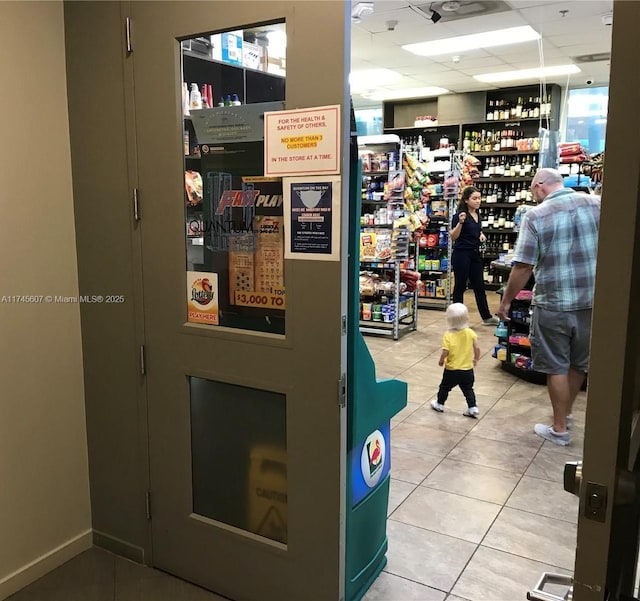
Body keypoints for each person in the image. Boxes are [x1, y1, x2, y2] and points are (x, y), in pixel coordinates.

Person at [496, 168, 600, 446]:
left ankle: (559, 429)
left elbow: (523, 266)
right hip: (592, 302)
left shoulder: (536, 215)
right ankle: (564, 415)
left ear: (539, 186)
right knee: (579, 364)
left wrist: (506, 300)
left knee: (555, 365)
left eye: (533, 191)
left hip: (554, 302)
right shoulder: (596, 203)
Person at [451, 186, 499, 326]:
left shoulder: (478, 215)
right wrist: (460, 223)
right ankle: (457, 320)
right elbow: (453, 236)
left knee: (479, 286)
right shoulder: (459, 215)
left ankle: (486, 317)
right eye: (474, 198)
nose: (478, 201)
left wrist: (480, 234)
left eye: (479, 198)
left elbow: (475, 231)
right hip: (461, 254)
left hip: (474, 254)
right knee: (460, 287)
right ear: (466, 200)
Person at [431, 302, 481, 418]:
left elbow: (445, 351)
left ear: (448, 320)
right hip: (467, 369)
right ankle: (472, 407)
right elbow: (477, 348)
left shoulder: (448, 335)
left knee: (444, 388)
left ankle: (440, 404)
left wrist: (441, 360)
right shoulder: (470, 333)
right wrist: (476, 359)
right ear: (467, 318)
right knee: (468, 389)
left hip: (452, 369)